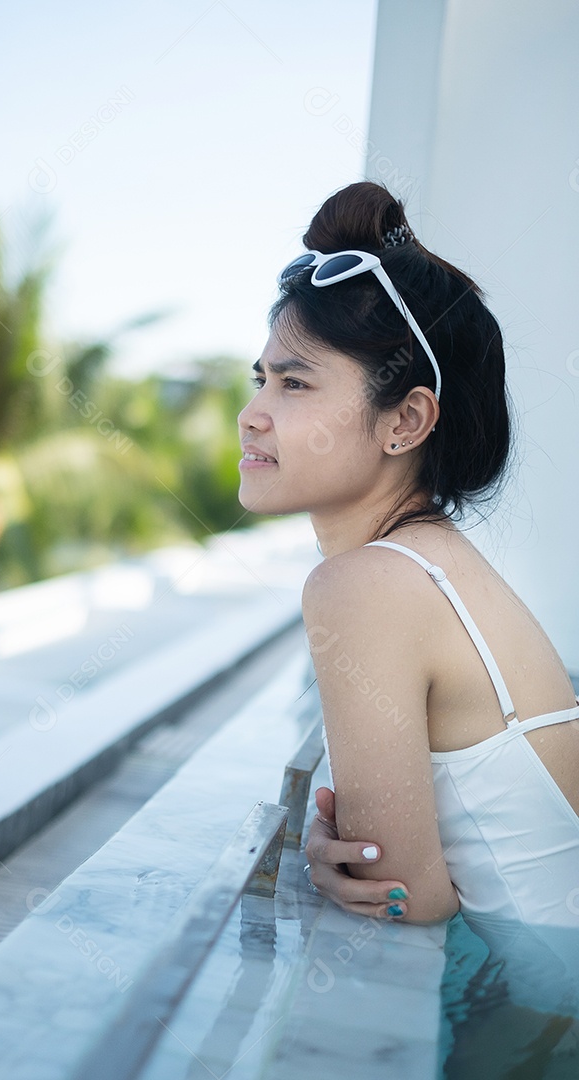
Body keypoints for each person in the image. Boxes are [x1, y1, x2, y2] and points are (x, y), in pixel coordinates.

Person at [237, 181, 579, 931]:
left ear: (407, 419)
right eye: (260, 378)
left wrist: (333, 860)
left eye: (295, 382)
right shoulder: (430, 562)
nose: (252, 414)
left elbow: (401, 898)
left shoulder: (365, 586)